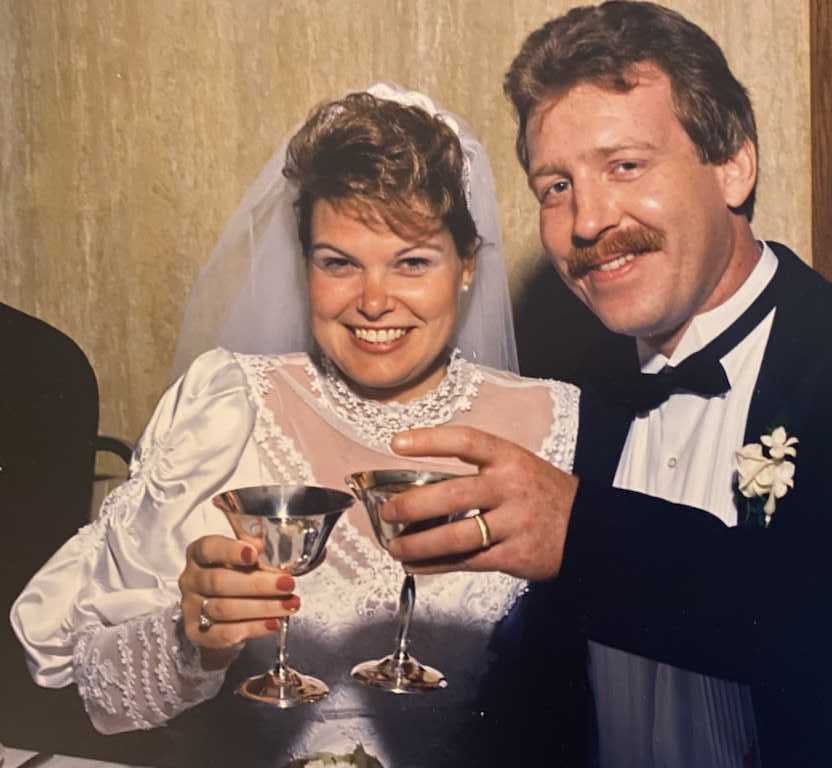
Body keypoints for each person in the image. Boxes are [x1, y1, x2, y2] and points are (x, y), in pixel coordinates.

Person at [379, 3, 832, 767]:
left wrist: (578, 533)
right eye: (555, 185)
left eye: (625, 165)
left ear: (733, 166)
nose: (587, 221)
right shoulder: (571, 404)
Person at [10, 85, 587, 767]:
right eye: (338, 262)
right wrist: (193, 640)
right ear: (305, 263)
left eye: (412, 261)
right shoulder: (225, 406)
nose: (374, 301)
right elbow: (95, 686)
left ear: (465, 266)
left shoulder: (558, 422)